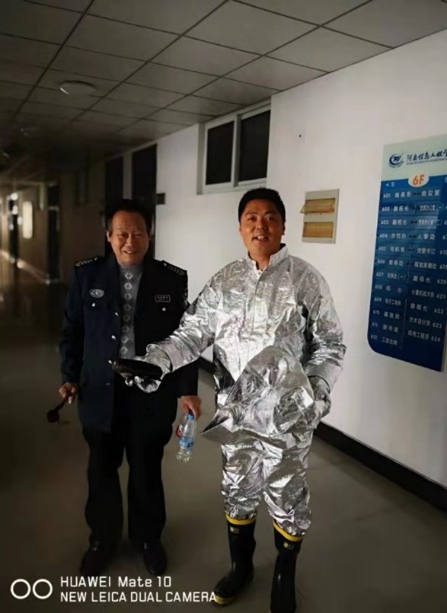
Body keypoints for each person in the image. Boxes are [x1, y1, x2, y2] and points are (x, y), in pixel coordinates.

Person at [119, 188, 346, 613]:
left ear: (283, 226)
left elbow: (330, 345)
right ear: (240, 227)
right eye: (251, 218)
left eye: (270, 217)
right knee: (238, 491)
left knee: (287, 498)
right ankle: (241, 568)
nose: (261, 225)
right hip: (236, 417)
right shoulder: (225, 282)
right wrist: (155, 363)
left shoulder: (305, 279)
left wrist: (314, 394)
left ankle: (283, 576)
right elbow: (191, 335)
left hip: (286, 420)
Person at [58, 199, 200, 578]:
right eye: (121, 233)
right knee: (101, 471)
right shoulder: (87, 276)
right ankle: (101, 541)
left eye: (138, 233)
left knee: (146, 470)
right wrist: (69, 375)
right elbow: (72, 332)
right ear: (108, 236)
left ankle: (148, 539)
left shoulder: (171, 279)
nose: (130, 241)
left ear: (149, 235)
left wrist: (186, 389)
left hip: (150, 393)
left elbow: (186, 339)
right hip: (100, 392)